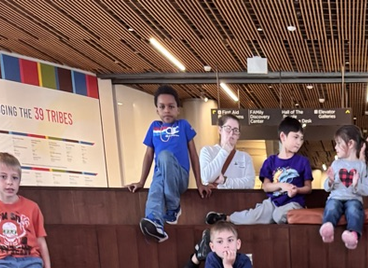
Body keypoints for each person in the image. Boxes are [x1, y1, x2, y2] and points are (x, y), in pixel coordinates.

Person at [126, 86, 211, 243]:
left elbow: (193, 154)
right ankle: (155, 222)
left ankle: (173, 207)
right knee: (155, 187)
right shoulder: (154, 127)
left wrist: (199, 183)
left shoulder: (183, 125)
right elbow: (149, 155)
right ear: (157, 110)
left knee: (164, 156)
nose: (167, 110)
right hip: (161, 175)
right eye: (162, 107)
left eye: (171, 106)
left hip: (179, 176)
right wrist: (141, 182)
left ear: (178, 109)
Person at [206, 117, 312, 226]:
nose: (299, 142)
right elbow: (266, 186)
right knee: (252, 216)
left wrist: (296, 190)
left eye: (301, 138)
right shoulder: (270, 161)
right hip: (273, 202)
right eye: (295, 137)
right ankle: (226, 218)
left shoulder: (303, 161)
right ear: (283, 136)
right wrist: (282, 186)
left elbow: (308, 188)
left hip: (294, 203)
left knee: (278, 215)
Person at [320, 125, 368, 250]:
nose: (335, 147)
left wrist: (356, 185)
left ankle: (353, 235)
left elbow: (367, 190)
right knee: (331, 206)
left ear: (350, 143)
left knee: (354, 209)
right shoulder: (336, 164)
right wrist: (330, 181)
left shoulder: (362, 166)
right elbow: (327, 188)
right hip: (336, 197)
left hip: (354, 199)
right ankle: (328, 227)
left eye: (338, 143)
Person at [200, 114, 256, 190]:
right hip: (213, 199)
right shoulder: (207, 151)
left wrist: (225, 181)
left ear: (238, 136)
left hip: (237, 200)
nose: (231, 133)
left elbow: (250, 184)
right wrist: (224, 151)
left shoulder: (245, 157)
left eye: (235, 130)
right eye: (228, 128)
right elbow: (207, 177)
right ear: (220, 130)